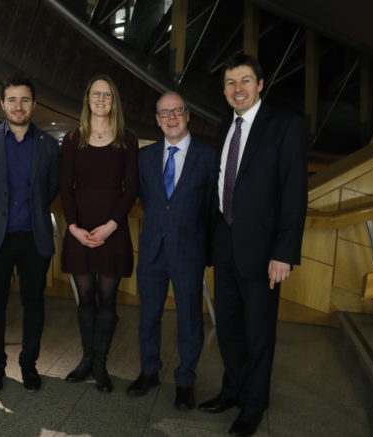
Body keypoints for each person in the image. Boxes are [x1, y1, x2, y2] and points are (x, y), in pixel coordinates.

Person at [197, 54, 307, 437]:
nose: (237, 89)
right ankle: (232, 390)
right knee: (227, 328)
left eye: (245, 81)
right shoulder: (223, 123)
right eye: (230, 82)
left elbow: (294, 193)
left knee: (258, 331)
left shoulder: (285, 126)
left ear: (261, 85)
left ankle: (254, 405)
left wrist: (284, 253)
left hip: (264, 252)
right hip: (224, 242)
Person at [127, 92, 217, 410]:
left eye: (177, 111)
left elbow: (212, 208)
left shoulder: (208, 156)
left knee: (190, 318)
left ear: (188, 115)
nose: (171, 118)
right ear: (157, 119)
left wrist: (206, 248)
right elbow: (146, 200)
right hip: (152, 249)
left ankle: (185, 381)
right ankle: (149, 371)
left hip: (189, 251)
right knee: (148, 315)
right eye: (164, 113)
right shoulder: (145, 156)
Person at [0, 74, 60, 395]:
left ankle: (29, 365)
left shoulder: (49, 146)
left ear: (34, 104)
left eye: (25, 99)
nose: (18, 106)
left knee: (34, 305)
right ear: (1, 104)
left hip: (34, 239)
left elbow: (50, 188)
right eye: (12, 99)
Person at [60, 74, 138, 392]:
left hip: (112, 231)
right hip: (80, 232)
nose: (101, 99)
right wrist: (75, 228)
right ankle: (86, 360)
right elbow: (65, 188)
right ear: (88, 98)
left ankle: (101, 364)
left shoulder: (126, 139)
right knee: (85, 299)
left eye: (107, 94)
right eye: (96, 93)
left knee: (107, 300)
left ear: (114, 101)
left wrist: (111, 225)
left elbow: (130, 189)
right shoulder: (72, 138)